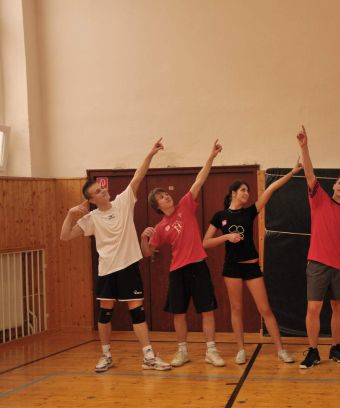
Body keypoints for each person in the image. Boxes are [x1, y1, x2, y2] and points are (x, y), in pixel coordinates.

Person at [60, 139, 171, 372]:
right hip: (107, 270)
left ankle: (148, 357)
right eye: (98, 192)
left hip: (129, 267)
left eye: (102, 188)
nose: (103, 191)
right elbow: (65, 236)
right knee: (105, 314)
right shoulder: (91, 219)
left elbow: (138, 177)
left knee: (137, 312)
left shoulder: (123, 201)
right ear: (92, 200)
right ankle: (106, 355)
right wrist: (70, 215)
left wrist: (151, 153)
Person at [202, 160, 302, 365]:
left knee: (265, 309)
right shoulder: (220, 216)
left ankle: (280, 350)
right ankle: (241, 350)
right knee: (236, 309)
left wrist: (292, 172)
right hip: (232, 268)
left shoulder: (250, 211)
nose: (246, 193)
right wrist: (226, 237)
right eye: (243, 190)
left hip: (251, 267)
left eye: (247, 191)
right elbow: (205, 242)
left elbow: (271, 188)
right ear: (233, 193)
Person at [140, 140, 226, 368]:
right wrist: (143, 238)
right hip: (177, 271)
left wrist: (211, 156)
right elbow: (148, 253)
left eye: (165, 194)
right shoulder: (160, 227)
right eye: (160, 197)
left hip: (198, 266)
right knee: (179, 313)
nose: (166, 197)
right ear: (157, 206)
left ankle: (211, 351)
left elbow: (200, 179)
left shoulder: (186, 204)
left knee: (207, 310)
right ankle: (182, 351)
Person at [295, 125, 340, 369]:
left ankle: (336, 348)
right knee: (314, 308)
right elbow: (309, 175)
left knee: (339, 307)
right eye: (339, 183)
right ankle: (313, 351)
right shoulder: (319, 200)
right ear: (334, 186)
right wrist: (304, 147)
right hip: (318, 263)